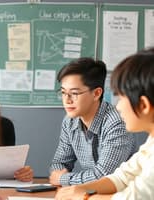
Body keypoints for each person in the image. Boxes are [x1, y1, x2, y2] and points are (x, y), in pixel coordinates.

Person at [55, 48, 154, 200]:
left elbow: (134, 197)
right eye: (63, 92)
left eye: (121, 98)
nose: (118, 106)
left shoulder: (115, 122)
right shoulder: (151, 144)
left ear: (144, 105)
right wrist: (80, 189)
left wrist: (85, 197)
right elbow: (121, 177)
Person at [49, 57, 135, 186]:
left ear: (96, 93)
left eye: (74, 93)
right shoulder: (69, 121)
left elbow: (104, 176)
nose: (67, 100)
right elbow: (58, 164)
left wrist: (63, 179)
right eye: (63, 92)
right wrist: (59, 174)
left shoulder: (117, 123)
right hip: (91, 193)